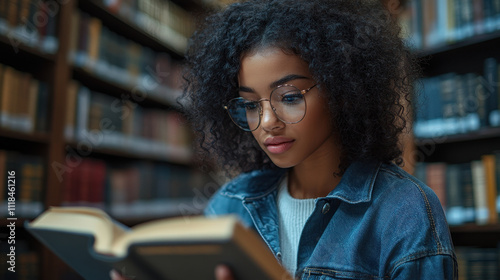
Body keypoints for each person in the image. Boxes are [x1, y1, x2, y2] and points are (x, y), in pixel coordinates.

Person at [113, 0, 457, 279]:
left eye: (290, 97)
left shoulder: (405, 213)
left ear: (342, 90)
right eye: (250, 104)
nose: (266, 123)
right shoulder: (229, 206)